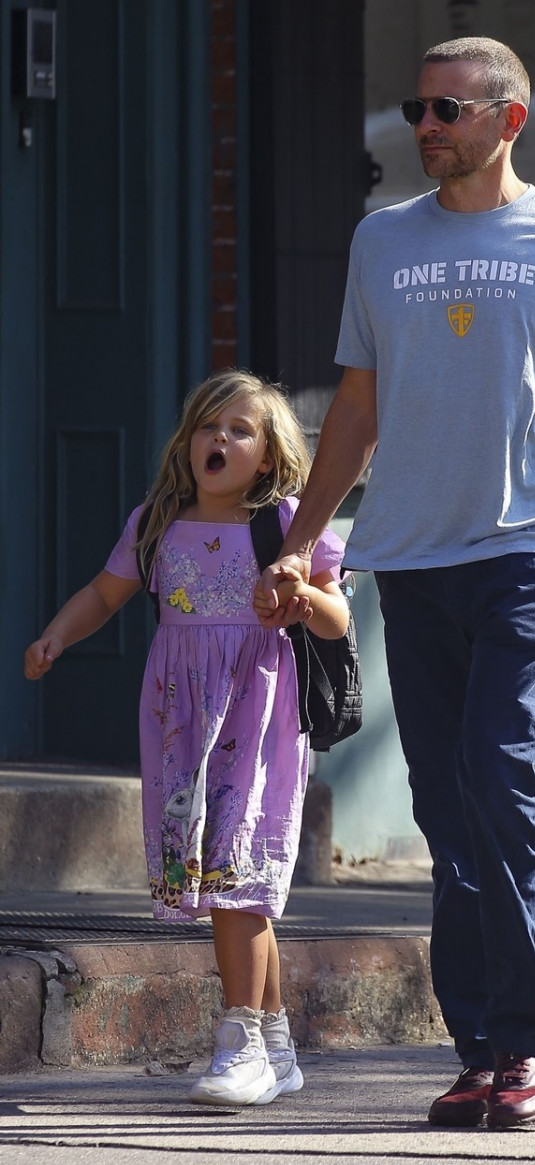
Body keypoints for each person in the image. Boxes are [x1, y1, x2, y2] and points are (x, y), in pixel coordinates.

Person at [255, 37, 535, 1129]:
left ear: (510, 120)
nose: (425, 125)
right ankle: (481, 1048)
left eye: (447, 107)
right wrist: (302, 541)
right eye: (417, 106)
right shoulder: (381, 242)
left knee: (501, 778)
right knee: (448, 808)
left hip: (532, 550)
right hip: (409, 555)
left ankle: (531, 1043)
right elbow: (353, 410)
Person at [24, 369, 349, 1108]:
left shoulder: (290, 525)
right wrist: (55, 636)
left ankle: (238, 1041)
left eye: (240, 430)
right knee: (224, 883)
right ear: (188, 440)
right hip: (181, 724)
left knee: (236, 881)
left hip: (259, 719)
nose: (220, 439)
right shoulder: (156, 523)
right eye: (209, 426)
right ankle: (275, 1044)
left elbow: (339, 621)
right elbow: (104, 595)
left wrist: (299, 593)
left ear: (266, 457)